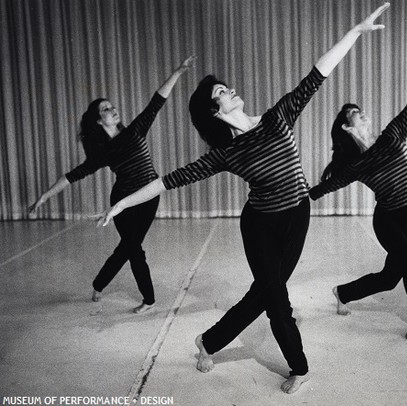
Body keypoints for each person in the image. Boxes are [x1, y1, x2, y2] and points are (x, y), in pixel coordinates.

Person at [96, 3, 390, 393]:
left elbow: (318, 72)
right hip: (260, 224)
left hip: (298, 213)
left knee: (265, 291)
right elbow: (169, 181)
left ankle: (209, 341)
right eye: (222, 91)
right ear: (214, 111)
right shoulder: (226, 153)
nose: (230, 90)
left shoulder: (277, 117)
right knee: (276, 298)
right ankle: (299, 367)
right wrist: (121, 203)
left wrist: (354, 31)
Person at [309, 49, 407, 341]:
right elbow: (322, 189)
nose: (359, 111)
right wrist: (293, 195)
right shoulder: (354, 165)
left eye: (358, 109)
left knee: (392, 277)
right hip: (388, 219)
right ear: (346, 126)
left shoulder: (392, 135)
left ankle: (343, 292)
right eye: (353, 113)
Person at [29, 56, 196, 314]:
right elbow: (73, 175)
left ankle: (100, 284)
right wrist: (44, 196)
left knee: (130, 246)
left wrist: (177, 71)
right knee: (132, 248)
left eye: (112, 106)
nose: (113, 110)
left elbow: (157, 102)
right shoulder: (102, 152)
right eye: (106, 109)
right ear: (98, 120)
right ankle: (147, 299)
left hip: (147, 197)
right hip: (120, 201)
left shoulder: (135, 130)